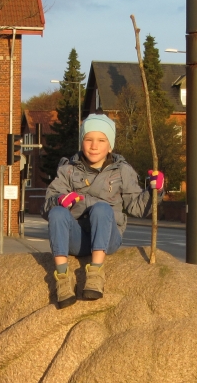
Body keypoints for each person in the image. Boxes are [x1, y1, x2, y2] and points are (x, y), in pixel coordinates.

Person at [42, 113, 164, 309]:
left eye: (101, 140)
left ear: (110, 145)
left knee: (101, 208)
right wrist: (58, 200)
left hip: (107, 237)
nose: (94, 146)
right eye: (88, 139)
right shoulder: (68, 170)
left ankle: (96, 273)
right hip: (78, 239)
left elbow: (137, 207)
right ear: (82, 142)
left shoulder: (122, 170)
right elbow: (46, 207)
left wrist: (154, 191)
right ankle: (62, 278)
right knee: (57, 213)